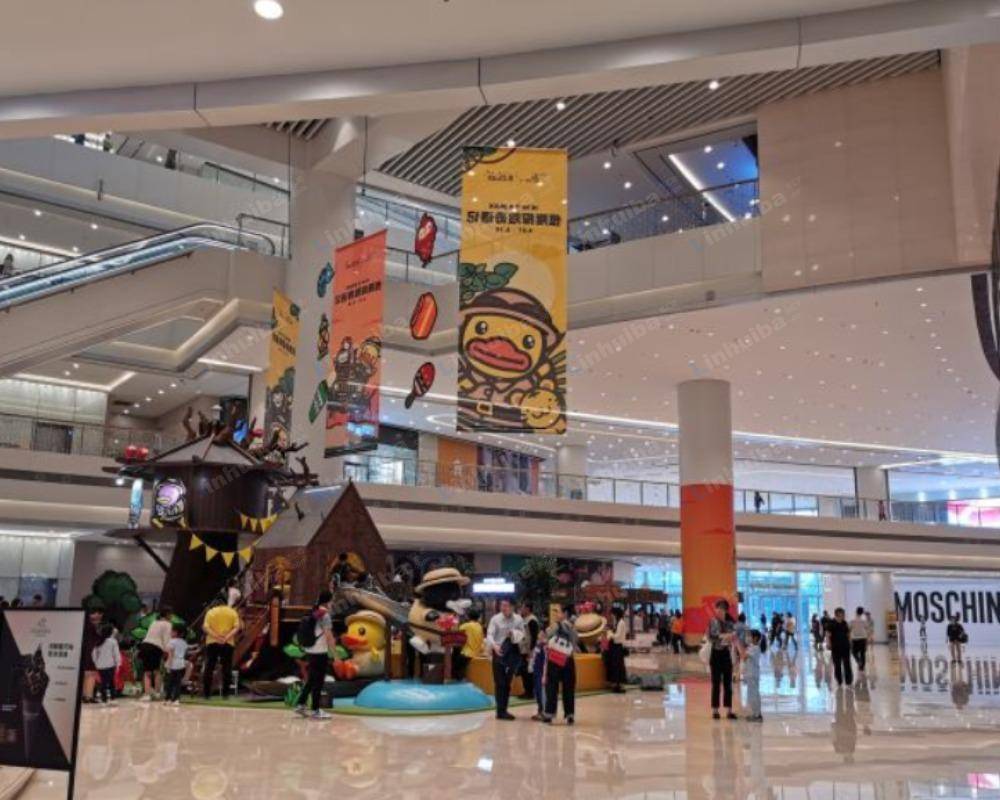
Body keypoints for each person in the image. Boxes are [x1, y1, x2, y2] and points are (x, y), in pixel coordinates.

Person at [294, 590, 337, 720]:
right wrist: (335, 654)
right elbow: (329, 636)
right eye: (332, 600)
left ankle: (301, 704)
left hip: (310, 650)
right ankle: (315, 710)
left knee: (312, 679)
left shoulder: (314, 611)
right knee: (318, 681)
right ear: (328, 601)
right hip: (320, 652)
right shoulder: (325, 615)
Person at [485, 599, 525, 720]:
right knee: (499, 682)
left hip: (511, 652)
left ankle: (504, 709)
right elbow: (489, 634)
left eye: (506, 605)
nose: (503, 608)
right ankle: (500, 711)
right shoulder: (495, 619)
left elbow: (522, 633)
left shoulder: (518, 619)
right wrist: (494, 646)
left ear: (512, 607)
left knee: (507, 683)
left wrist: (514, 634)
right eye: (502, 605)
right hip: (498, 651)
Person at [543, 604, 579, 725]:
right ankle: (570, 714)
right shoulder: (573, 627)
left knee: (552, 687)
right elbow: (575, 642)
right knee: (569, 688)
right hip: (568, 660)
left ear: (565, 614)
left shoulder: (557, 625)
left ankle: (549, 714)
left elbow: (547, 636)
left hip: (556, 659)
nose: (557, 614)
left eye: (559, 612)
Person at [202, 600, 240, 699]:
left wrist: (216, 637)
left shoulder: (210, 612)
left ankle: (206, 694)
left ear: (216, 604)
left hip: (212, 642)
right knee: (227, 668)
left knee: (209, 667)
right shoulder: (232, 612)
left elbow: (206, 627)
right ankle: (225, 694)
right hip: (228, 642)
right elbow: (236, 627)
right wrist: (226, 638)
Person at [708, 599, 739, 720]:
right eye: (718, 608)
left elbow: (735, 636)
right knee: (716, 683)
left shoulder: (730, 623)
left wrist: (728, 636)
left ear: (726, 610)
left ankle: (729, 710)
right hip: (715, 654)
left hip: (726, 653)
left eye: (722, 608)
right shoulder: (713, 621)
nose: (719, 611)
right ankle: (715, 710)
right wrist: (725, 636)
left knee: (728, 683)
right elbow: (711, 637)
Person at [139, 607, 173, 701]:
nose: (172, 616)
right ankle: (157, 693)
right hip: (155, 647)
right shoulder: (168, 624)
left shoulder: (154, 622)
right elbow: (167, 639)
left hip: (145, 646)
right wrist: (168, 653)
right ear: (167, 614)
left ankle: (147, 694)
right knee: (156, 671)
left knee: (147, 672)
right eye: (171, 614)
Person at [91, 624, 120, 705]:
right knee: (111, 682)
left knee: (103, 682)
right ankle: (113, 698)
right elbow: (116, 654)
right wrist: (118, 663)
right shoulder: (113, 641)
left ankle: (104, 699)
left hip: (100, 666)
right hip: (110, 665)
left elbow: (94, 654)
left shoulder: (98, 641)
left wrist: (95, 663)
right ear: (111, 632)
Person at [517, 603, 540, 699]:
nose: (521, 610)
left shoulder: (532, 620)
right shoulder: (524, 619)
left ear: (527, 609)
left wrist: (531, 651)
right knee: (524, 672)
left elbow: (534, 637)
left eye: (522, 608)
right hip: (523, 650)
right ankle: (527, 691)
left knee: (528, 672)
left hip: (529, 651)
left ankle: (530, 692)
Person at [826, 607, 853, 687]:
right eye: (842, 614)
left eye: (844, 614)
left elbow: (848, 634)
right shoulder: (831, 623)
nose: (844, 616)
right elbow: (828, 635)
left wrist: (850, 642)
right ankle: (839, 680)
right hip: (835, 647)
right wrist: (828, 643)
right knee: (837, 664)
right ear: (837, 615)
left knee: (847, 664)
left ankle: (848, 681)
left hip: (845, 646)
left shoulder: (844, 623)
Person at [454, 608, 484, 681]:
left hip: (467, 653)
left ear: (468, 616)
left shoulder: (466, 626)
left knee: (455, 662)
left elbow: (456, 631)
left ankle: (459, 679)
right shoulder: (479, 626)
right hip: (477, 652)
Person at [82, 608, 104, 702]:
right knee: (91, 673)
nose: (98, 615)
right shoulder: (91, 626)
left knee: (86, 674)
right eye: (95, 613)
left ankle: (85, 695)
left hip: (83, 652)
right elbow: (98, 640)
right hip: (88, 652)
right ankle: (89, 696)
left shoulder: (83, 623)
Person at [164, 623, 189, 705]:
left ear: (176, 632)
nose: (170, 632)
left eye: (172, 631)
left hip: (173, 664)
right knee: (178, 683)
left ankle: (168, 699)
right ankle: (176, 699)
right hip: (181, 664)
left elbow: (170, 655)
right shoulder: (184, 642)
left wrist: (168, 666)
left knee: (170, 683)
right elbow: (185, 652)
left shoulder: (171, 642)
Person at [743, 629, 764, 721]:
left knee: (753, 695)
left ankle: (757, 715)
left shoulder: (754, 648)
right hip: (751, 674)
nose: (748, 638)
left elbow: (744, 657)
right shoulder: (752, 647)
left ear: (755, 638)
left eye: (749, 636)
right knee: (753, 694)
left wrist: (737, 644)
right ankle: (756, 714)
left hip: (753, 674)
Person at [606, 607, 628, 693]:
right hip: (615, 646)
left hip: (618, 646)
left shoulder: (621, 623)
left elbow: (618, 636)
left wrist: (611, 634)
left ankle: (619, 685)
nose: (612, 616)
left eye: (612, 614)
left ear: (616, 614)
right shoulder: (617, 622)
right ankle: (615, 684)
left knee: (618, 666)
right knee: (615, 665)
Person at [530, 628, 548, 721]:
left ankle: (544, 712)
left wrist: (544, 675)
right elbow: (534, 657)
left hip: (541, 673)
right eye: (539, 633)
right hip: (536, 672)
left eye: (541, 634)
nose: (539, 635)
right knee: (537, 692)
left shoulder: (545, 647)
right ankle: (539, 711)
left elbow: (545, 662)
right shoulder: (537, 645)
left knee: (542, 693)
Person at [849, 607, 869, 672]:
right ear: (862, 613)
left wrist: (849, 639)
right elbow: (867, 629)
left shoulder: (852, 620)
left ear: (856, 611)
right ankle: (862, 667)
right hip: (863, 638)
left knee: (854, 652)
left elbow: (849, 629)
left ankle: (858, 660)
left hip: (855, 639)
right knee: (862, 653)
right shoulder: (864, 620)